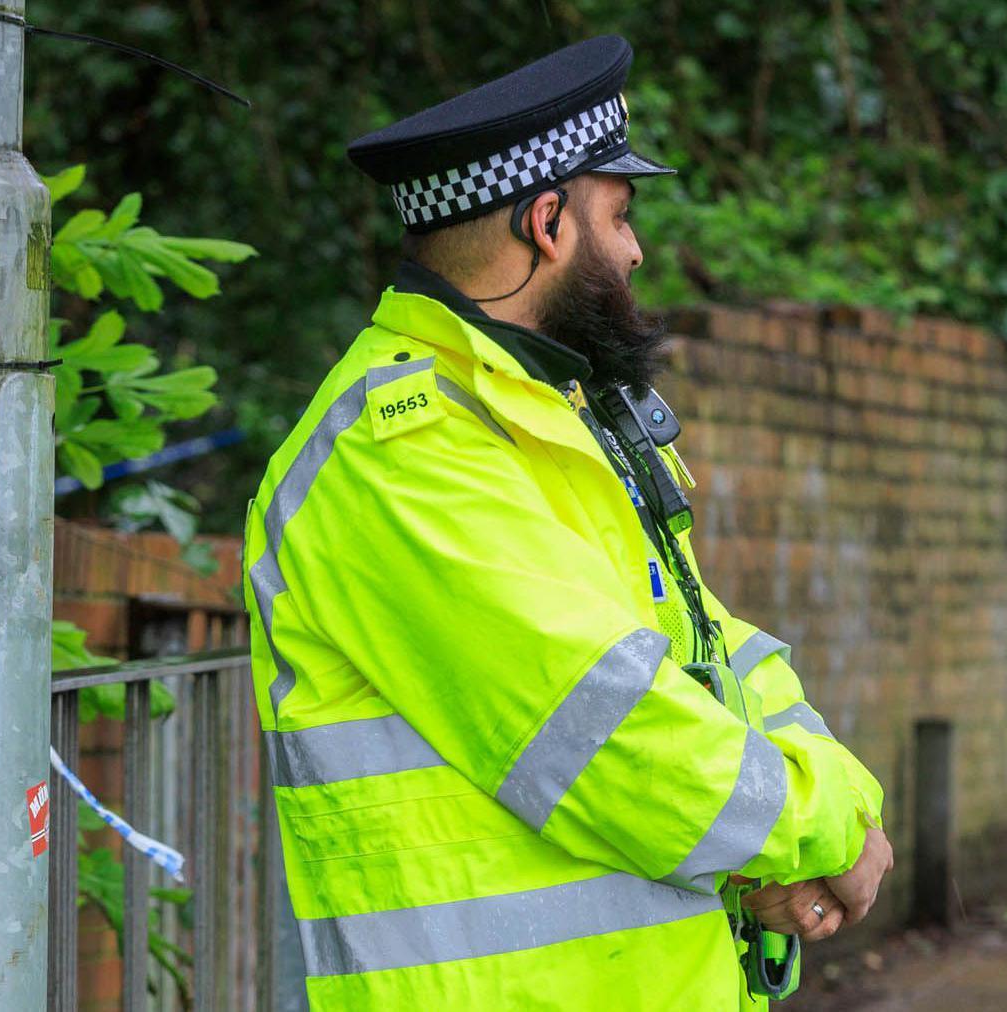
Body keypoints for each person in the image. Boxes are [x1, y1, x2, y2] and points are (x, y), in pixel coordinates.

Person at [243, 35, 892, 1009]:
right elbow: (616, 736)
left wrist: (843, 801)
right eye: (620, 215)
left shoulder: (550, 418)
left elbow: (711, 651)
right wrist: (829, 827)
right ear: (547, 222)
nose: (635, 249)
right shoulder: (399, 455)